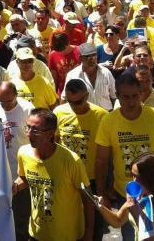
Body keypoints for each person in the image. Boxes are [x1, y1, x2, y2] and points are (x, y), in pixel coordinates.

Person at [95, 74, 154, 240]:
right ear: (117, 96)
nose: (131, 102)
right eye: (125, 97)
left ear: (141, 93)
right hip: (126, 192)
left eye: (135, 96)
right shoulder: (108, 121)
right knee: (131, 235)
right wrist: (100, 192)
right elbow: (101, 160)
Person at [13, 108, 94, 241]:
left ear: (50, 133)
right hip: (36, 234)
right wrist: (12, 188)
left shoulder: (71, 161)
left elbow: (88, 199)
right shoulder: (23, 153)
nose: (29, 134)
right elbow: (24, 178)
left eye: (35, 130)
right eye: (28, 128)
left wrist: (89, 233)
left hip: (67, 236)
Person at [54, 78, 108, 241]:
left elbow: (105, 155)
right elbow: (55, 142)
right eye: (70, 102)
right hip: (66, 178)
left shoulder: (101, 116)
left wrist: (102, 188)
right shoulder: (59, 112)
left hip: (91, 179)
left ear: (87, 95)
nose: (75, 106)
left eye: (78, 102)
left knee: (94, 224)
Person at [0, 82, 34, 241]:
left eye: (8, 102)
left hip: (20, 174)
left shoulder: (27, 109)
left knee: (20, 216)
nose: (4, 105)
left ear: (16, 96)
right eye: (1, 101)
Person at [96, 153, 154, 241]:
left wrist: (139, 217)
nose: (134, 181)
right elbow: (118, 221)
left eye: (140, 177)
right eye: (133, 175)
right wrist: (101, 207)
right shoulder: (139, 197)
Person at [62, 43, 116, 111]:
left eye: (94, 55)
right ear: (80, 58)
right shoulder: (73, 76)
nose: (92, 58)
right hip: (84, 117)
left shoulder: (106, 73)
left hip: (106, 116)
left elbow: (114, 96)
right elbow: (64, 99)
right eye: (87, 56)